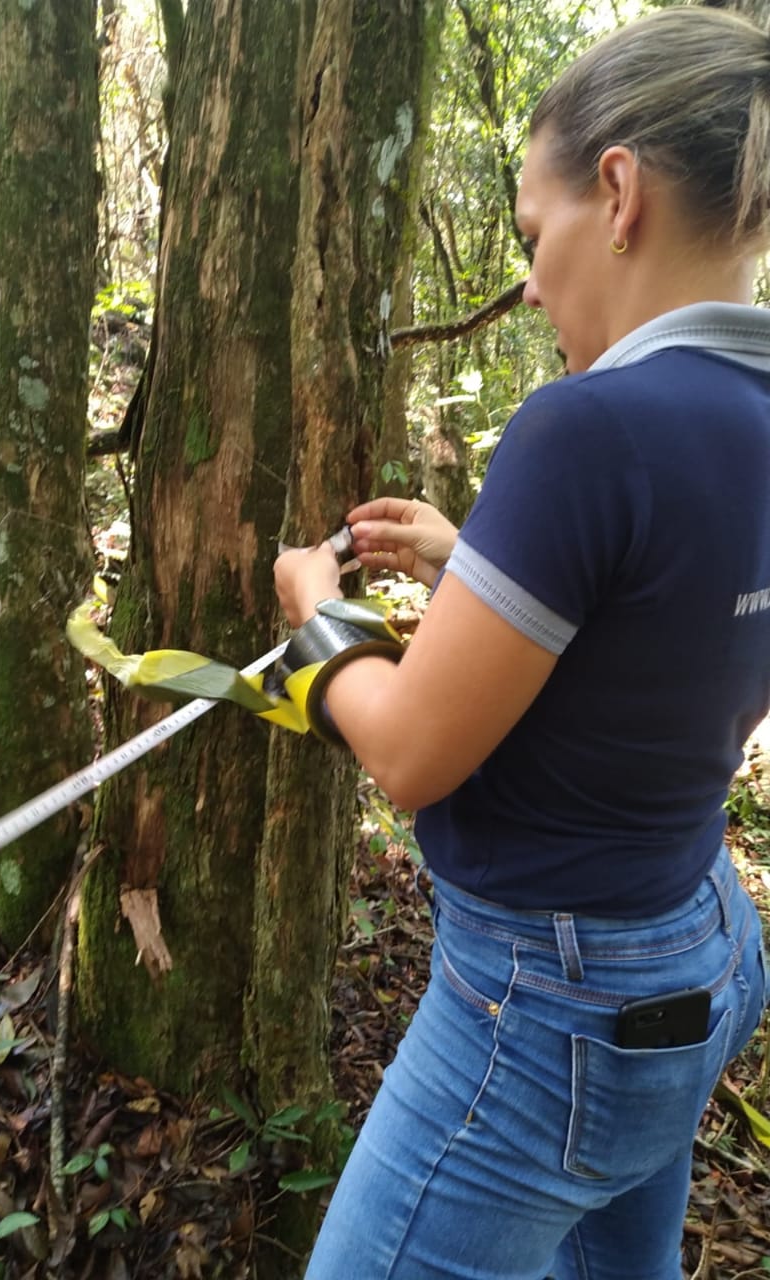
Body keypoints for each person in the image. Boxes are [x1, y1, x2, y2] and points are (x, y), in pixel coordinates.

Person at [273, 8, 770, 1279]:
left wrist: (314, 614)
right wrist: (472, 562)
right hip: (702, 943)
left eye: (530, 236)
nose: (534, 280)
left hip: (550, 1007)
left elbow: (410, 752)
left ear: (618, 192)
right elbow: (666, 638)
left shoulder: (585, 427)